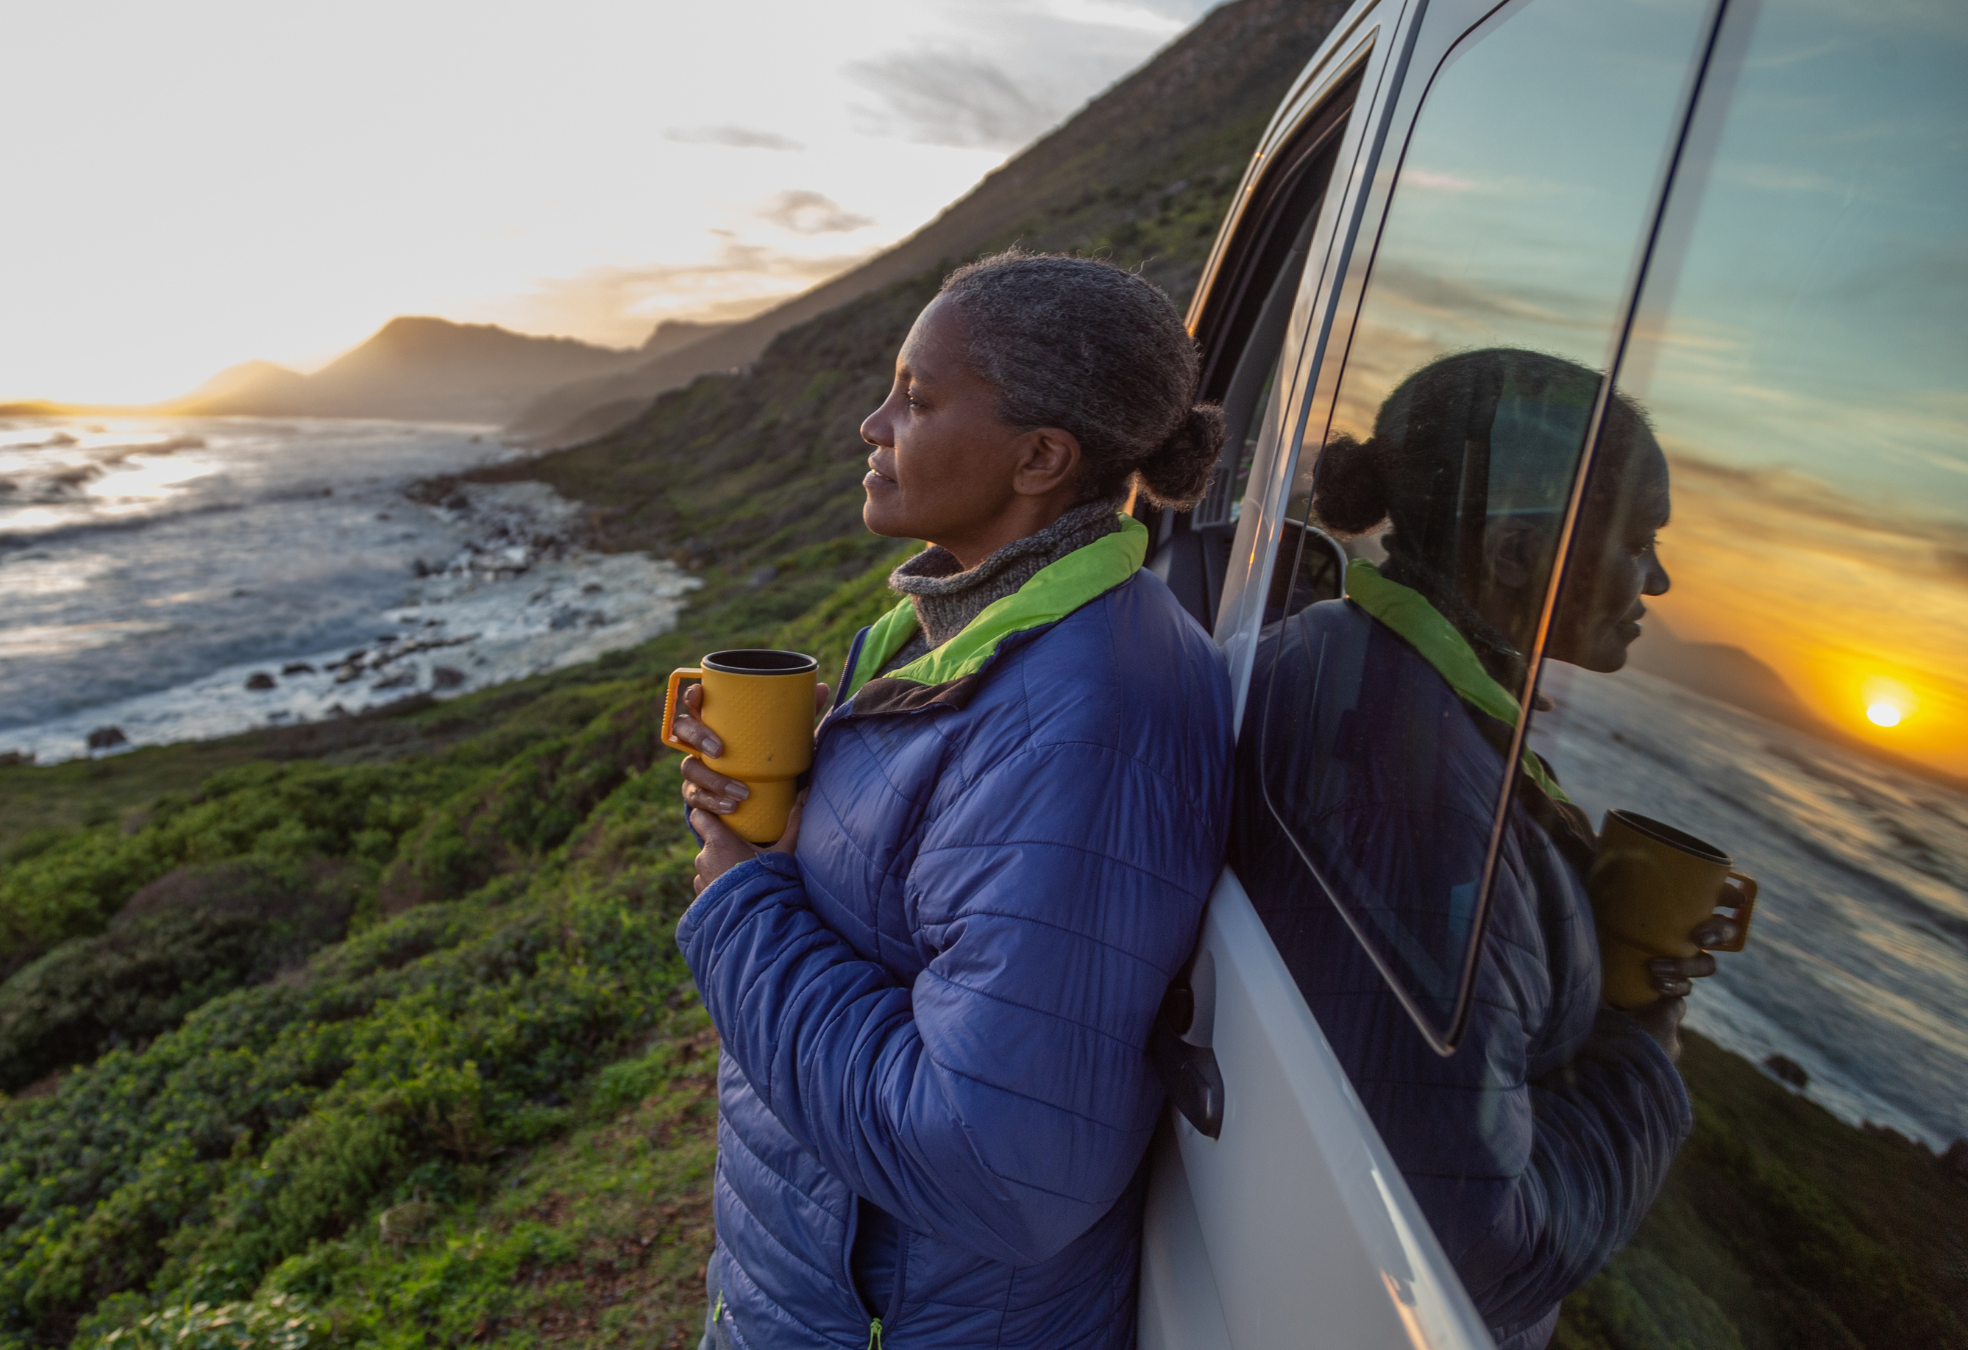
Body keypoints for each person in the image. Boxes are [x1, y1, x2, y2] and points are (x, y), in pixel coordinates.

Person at [667, 251, 1233, 1349]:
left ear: (1040, 457)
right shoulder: (953, 636)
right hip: (820, 1292)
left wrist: (740, 901)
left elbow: (992, 1164)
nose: (873, 426)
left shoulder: (1088, 719)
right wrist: (813, 798)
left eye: (917, 401)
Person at [1231, 348, 1741, 1350]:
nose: (1662, 578)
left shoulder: (1345, 654)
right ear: (1513, 555)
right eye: (1639, 542)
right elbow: (1465, 1252)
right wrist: (1643, 1056)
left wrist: (1562, 916)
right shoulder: (1418, 786)